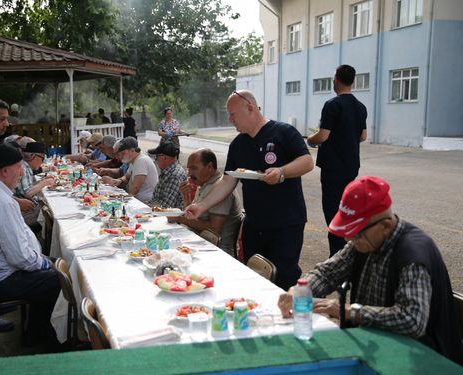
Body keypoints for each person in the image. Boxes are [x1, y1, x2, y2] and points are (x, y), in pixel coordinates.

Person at [277, 176, 463, 365]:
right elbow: (327, 272)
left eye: (357, 234)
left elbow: (411, 320)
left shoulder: (413, 256)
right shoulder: (364, 241)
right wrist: (301, 290)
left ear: (386, 226)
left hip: (421, 359)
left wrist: (352, 312)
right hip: (377, 344)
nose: (352, 240)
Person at [185, 90, 314, 290]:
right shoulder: (238, 144)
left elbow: (307, 162)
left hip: (286, 223)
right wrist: (201, 206)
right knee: (255, 278)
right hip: (255, 225)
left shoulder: (283, 132)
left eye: (232, 114)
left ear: (250, 108)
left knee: (283, 277)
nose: (230, 119)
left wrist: (282, 171)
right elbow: (228, 182)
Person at [0, 144, 62, 351]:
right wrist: (46, 262)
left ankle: (36, 331)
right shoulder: (2, 202)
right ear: (5, 170)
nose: (22, 172)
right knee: (60, 278)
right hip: (2, 280)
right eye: (19, 168)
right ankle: (40, 339)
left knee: (55, 267)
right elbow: (21, 259)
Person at [308, 64, 368, 257]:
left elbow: (323, 136)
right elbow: (363, 136)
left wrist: (310, 139)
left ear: (336, 80)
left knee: (333, 212)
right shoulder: (360, 107)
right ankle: (351, 250)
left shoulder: (332, 105)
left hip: (333, 167)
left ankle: (337, 256)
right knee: (348, 209)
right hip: (351, 166)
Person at [171, 149, 244, 256]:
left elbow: (214, 229)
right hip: (198, 242)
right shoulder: (204, 184)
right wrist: (186, 198)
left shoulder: (220, 189)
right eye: (188, 169)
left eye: (194, 168)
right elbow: (193, 218)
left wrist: (178, 218)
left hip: (217, 251)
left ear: (209, 167)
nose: (190, 173)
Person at [103, 137, 158, 203]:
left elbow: (135, 189)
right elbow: (126, 177)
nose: (119, 157)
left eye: (123, 153)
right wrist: (119, 180)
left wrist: (121, 200)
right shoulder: (134, 160)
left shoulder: (142, 161)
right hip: (137, 200)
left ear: (132, 150)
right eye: (118, 154)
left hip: (144, 202)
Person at [15, 141, 55, 228]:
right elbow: (27, 193)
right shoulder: (24, 167)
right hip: (26, 211)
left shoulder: (27, 167)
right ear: (33, 156)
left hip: (28, 207)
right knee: (54, 213)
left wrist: (42, 181)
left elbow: (29, 186)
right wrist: (44, 183)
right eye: (42, 158)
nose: (42, 162)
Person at [147, 141, 186, 209]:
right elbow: (155, 199)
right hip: (159, 213)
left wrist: (149, 206)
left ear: (165, 158)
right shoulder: (167, 171)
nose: (155, 160)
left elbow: (165, 207)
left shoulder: (174, 176)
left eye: (156, 157)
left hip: (169, 217)